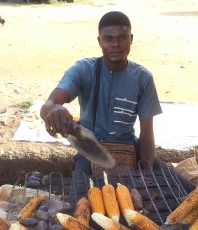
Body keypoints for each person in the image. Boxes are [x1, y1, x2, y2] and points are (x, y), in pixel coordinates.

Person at [40, 11, 162, 175]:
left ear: (131, 39)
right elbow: (48, 105)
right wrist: (54, 110)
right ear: (100, 41)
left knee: (175, 185)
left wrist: (147, 172)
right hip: (90, 151)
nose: (115, 44)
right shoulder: (84, 69)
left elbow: (147, 132)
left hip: (127, 151)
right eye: (108, 39)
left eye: (122, 37)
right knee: (80, 190)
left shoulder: (143, 78)